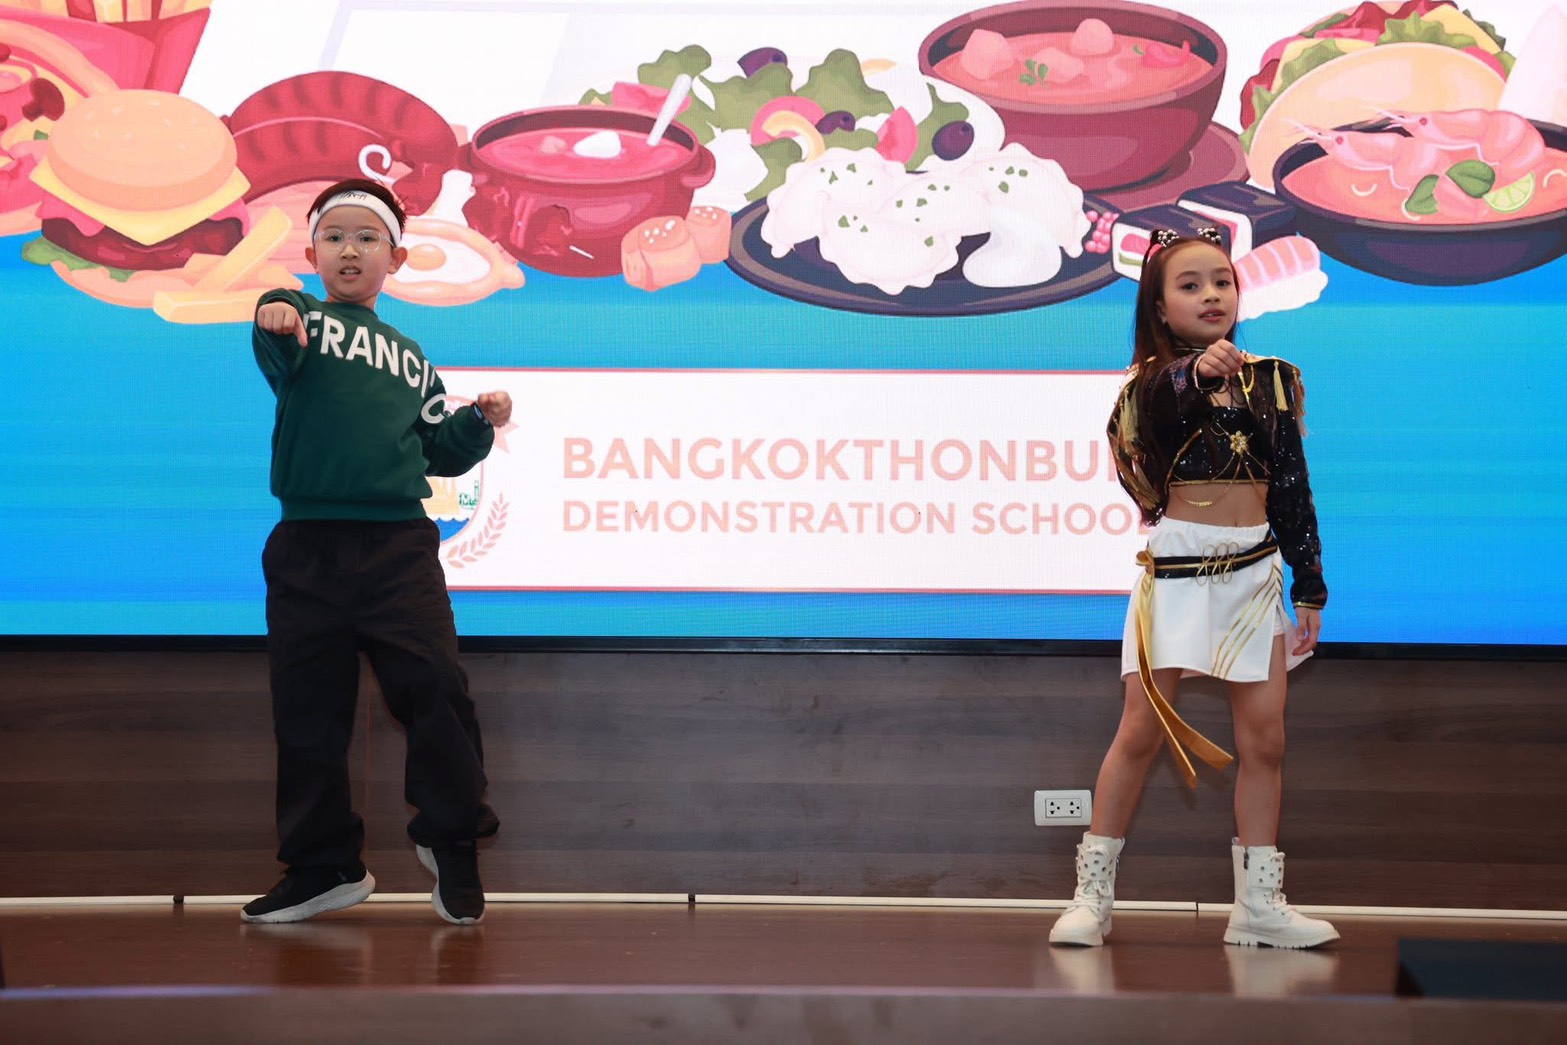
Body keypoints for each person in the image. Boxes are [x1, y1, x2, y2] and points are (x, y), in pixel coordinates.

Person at [1049, 228, 1337, 950]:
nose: (1211, 295)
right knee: (1139, 731)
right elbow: (1161, 408)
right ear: (1159, 306)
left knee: (1265, 739)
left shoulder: (1272, 380)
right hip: (1176, 573)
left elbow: (1292, 488)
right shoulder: (1149, 384)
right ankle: (1091, 898)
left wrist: (1310, 585)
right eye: (1190, 285)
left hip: (1254, 573)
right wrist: (1197, 374)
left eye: (1222, 281)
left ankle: (1258, 907)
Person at [242, 178, 510, 926]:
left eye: (367, 238)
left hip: (397, 549)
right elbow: (275, 332)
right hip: (306, 548)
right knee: (308, 713)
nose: (349, 250)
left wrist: (476, 424)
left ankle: (452, 840)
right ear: (312, 256)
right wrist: (276, 307)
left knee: (437, 690)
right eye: (334, 238)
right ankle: (322, 866)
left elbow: (440, 451)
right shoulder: (301, 323)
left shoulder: (412, 357)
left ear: (396, 258)